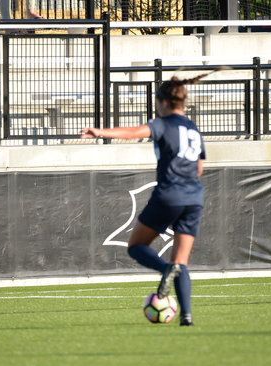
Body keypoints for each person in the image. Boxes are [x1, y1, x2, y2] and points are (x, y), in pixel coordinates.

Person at [81, 71, 219, 326]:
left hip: (170, 194)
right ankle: (186, 316)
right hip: (194, 197)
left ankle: (165, 270)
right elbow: (199, 168)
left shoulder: (163, 123)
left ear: (164, 102)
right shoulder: (192, 128)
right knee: (181, 260)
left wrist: (99, 132)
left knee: (136, 246)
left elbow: (134, 132)